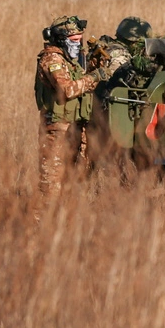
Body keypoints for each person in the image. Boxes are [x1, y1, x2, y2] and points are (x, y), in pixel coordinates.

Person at [34, 15, 104, 208]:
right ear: (60, 39)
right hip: (57, 131)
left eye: (80, 39)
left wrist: (95, 67)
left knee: (74, 182)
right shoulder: (51, 59)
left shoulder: (71, 61)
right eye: (73, 40)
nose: (78, 44)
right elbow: (67, 90)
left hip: (75, 129)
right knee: (51, 187)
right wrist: (94, 77)